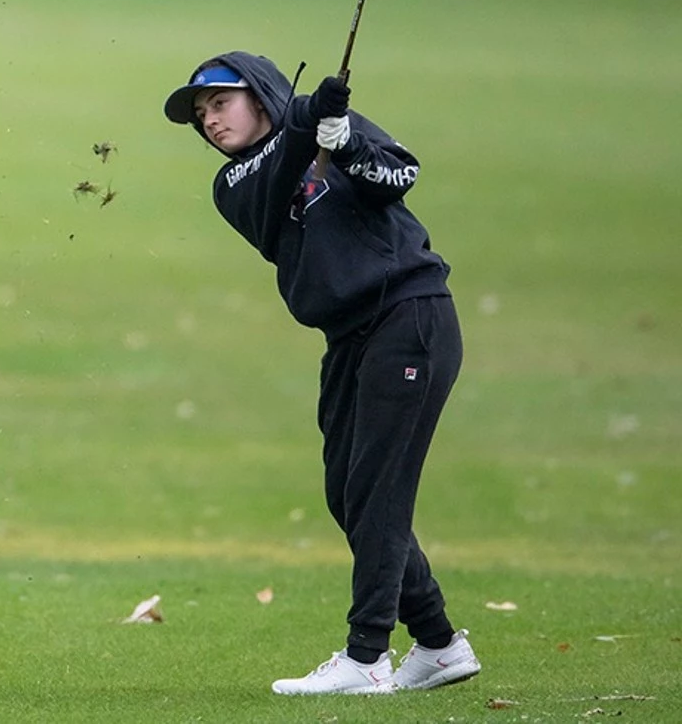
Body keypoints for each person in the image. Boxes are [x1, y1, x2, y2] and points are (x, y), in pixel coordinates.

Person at [162, 54, 481, 695]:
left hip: (408, 316)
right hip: (347, 337)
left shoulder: (325, 125)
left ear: (259, 96)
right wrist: (310, 123)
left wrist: (350, 143)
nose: (210, 120)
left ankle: (366, 657)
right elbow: (277, 175)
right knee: (347, 492)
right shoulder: (235, 184)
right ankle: (440, 644)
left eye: (220, 102)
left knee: (377, 493)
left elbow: (400, 175)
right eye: (201, 115)